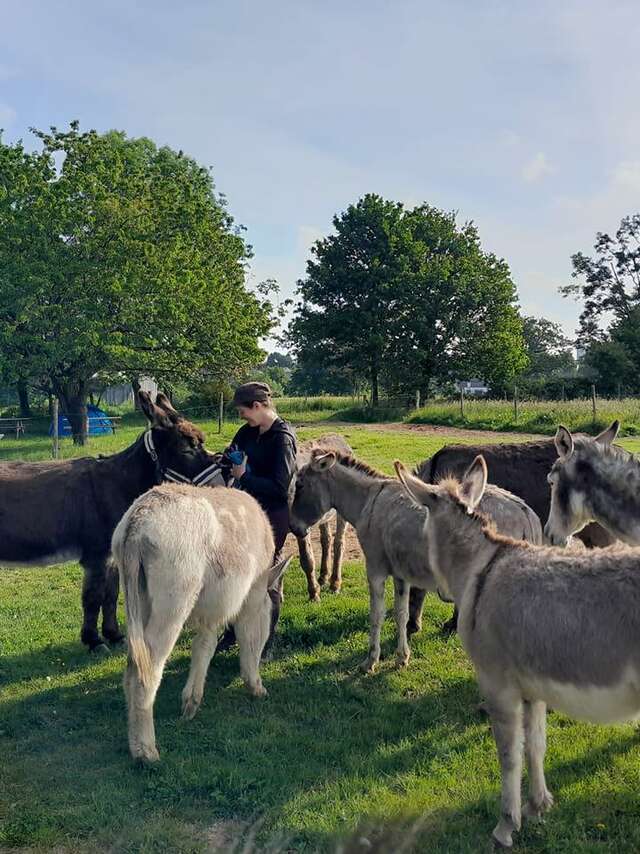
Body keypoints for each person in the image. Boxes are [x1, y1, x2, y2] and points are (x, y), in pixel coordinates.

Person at [217, 381, 297, 653]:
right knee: (235, 574)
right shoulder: (247, 432)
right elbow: (231, 457)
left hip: (272, 517)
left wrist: (245, 477)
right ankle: (231, 634)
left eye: (243, 412)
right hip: (244, 513)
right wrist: (225, 461)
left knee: (266, 579)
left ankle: (266, 641)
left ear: (258, 406)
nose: (242, 417)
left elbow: (279, 487)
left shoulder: (282, 439)